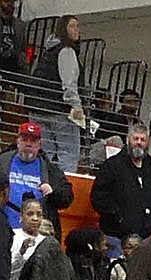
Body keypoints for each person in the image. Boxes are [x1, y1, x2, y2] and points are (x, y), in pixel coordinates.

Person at [90, 123, 151, 245]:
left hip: (146, 240)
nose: (138, 142)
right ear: (128, 140)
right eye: (135, 138)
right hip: (116, 236)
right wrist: (119, 218)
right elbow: (99, 197)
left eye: (142, 140)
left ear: (147, 143)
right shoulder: (112, 166)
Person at [0, 121, 74, 238]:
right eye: (25, 140)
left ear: (39, 145)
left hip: (35, 236)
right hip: (4, 230)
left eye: (33, 141)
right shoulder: (3, 161)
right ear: (18, 142)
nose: (28, 144)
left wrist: (53, 192)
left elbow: (67, 198)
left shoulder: (50, 170)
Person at [30, 15, 85, 174]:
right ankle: (63, 188)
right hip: (60, 110)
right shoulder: (66, 51)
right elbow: (69, 83)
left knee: (44, 153)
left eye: (77, 26)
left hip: (38, 108)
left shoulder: (49, 52)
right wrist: (76, 106)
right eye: (72, 26)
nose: (77, 30)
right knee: (68, 154)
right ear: (63, 30)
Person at [0, 0, 27, 80]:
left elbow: (22, 49)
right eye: (7, 1)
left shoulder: (19, 25)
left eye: (13, 2)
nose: (11, 4)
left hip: (14, 71)